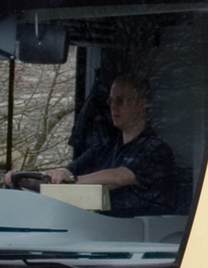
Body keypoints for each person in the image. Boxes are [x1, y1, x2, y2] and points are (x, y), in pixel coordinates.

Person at [15, 74, 179, 216]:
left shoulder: (156, 149)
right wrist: (26, 181)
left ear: (141, 103)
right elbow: (69, 172)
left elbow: (121, 177)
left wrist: (73, 180)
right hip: (101, 228)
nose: (113, 107)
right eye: (111, 101)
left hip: (144, 234)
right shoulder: (104, 147)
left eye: (121, 100)